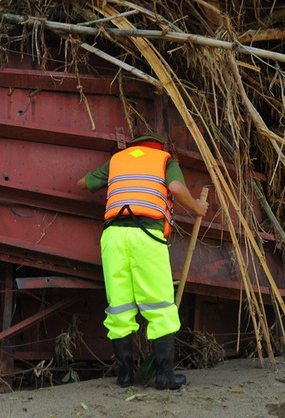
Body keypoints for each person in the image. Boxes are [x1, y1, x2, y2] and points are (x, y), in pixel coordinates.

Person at [77, 131, 208, 390]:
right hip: (146, 235)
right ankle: (164, 377)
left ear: (133, 146)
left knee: (119, 307)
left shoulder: (117, 160)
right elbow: (176, 188)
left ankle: (125, 376)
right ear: (158, 146)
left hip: (113, 237)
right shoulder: (164, 160)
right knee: (159, 305)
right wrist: (196, 208)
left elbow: (83, 183)